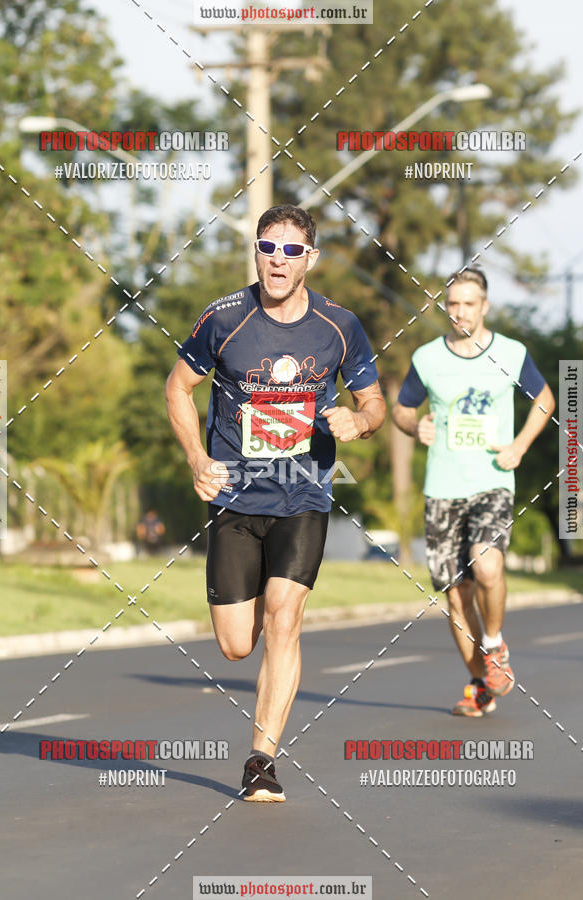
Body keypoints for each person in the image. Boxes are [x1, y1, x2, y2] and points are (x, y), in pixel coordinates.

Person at [165, 204, 386, 799]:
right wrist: (196, 459)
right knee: (238, 645)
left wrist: (359, 422)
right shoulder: (224, 319)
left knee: (285, 619)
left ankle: (261, 759)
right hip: (236, 498)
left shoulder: (340, 326)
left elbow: (375, 402)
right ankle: (256, 594)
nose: (278, 260)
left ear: (310, 258)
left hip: (304, 495)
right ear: (256, 252)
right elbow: (178, 387)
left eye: (292, 250)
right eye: (268, 247)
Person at [392, 267, 554, 717]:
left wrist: (519, 445)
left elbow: (545, 399)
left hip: (492, 480)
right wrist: (414, 425)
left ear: (485, 306)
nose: (459, 311)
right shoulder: (427, 358)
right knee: (457, 597)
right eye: (453, 303)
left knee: (486, 562)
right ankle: (481, 685)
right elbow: (401, 410)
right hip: (442, 488)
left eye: (469, 303)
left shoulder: (511, 353)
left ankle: (495, 643)